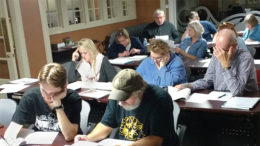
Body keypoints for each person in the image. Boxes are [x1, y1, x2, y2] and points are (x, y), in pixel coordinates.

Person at [74, 69, 180, 146]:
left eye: (124, 98)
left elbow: (156, 140)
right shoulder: (116, 98)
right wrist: (88, 138)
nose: (120, 103)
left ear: (139, 92)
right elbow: (106, 124)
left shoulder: (159, 99)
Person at [4, 63, 82, 144]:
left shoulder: (73, 98)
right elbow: (11, 131)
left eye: (52, 93)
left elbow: (69, 136)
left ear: (64, 87)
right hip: (41, 142)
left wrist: (58, 107)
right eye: (44, 90)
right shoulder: (30, 97)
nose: (47, 96)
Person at [175, 29, 258, 96]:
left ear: (234, 46)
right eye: (217, 49)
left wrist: (226, 65)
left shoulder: (245, 58)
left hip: (245, 100)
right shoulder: (216, 54)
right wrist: (189, 85)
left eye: (223, 50)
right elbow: (207, 81)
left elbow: (237, 91)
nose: (219, 53)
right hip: (220, 98)